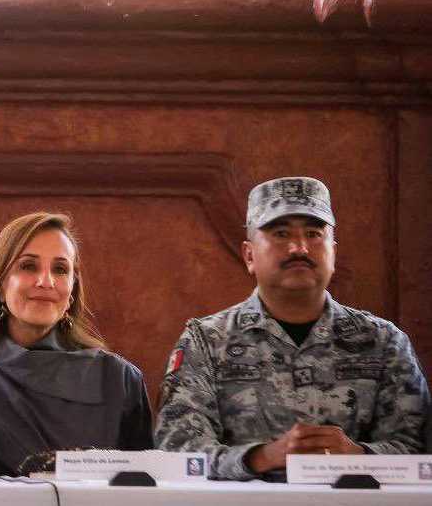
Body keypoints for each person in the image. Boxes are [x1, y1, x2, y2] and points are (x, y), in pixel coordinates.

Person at [156, 177, 430, 480]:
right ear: (249, 255)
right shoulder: (206, 341)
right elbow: (176, 450)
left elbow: (418, 450)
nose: (299, 247)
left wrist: (358, 457)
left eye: (313, 234)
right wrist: (261, 457)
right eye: (281, 233)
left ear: (333, 253)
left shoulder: (383, 342)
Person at [0, 212, 152, 476]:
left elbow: (147, 491)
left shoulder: (121, 380)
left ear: (72, 291)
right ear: (0, 285)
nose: (46, 281)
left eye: (60, 269)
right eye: (28, 266)